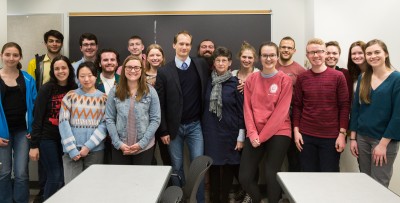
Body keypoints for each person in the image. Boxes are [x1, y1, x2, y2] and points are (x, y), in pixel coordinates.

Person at [155, 30, 209, 202]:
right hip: (173, 129)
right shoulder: (164, 71)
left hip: (195, 126)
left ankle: (197, 200)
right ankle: (181, 199)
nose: (184, 47)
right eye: (181, 43)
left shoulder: (200, 65)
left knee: (198, 167)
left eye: (187, 44)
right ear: (174, 45)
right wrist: (163, 130)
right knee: (177, 168)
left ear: (190, 46)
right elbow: (160, 104)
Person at [238, 42, 292, 203]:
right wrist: (253, 134)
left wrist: (261, 138)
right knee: (245, 177)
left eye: (272, 55)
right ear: (259, 58)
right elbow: (247, 109)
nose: (268, 59)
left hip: (279, 131)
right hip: (255, 132)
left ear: (277, 57)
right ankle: (257, 200)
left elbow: (281, 113)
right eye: (265, 55)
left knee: (270, 173)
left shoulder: (284, 80)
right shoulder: (252, 79)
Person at [293, 38, 350, 172]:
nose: (316, 55)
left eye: (319, 51)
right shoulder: (302, 78)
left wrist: (342, 134)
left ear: (325, 53)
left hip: (331, 137)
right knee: (308, 175)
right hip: (306, 136)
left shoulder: (338, 76)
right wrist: (296, 132)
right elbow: (297, 106)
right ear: (307, 55)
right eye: (311, 52)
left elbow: (344, 106)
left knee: (330, 176)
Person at [349, 39, 400, 187]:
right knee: (366, 182)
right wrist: (353, 138)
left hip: (384, 140)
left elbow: (398, 115)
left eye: (377, 52)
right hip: (362, 138)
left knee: (379, 184)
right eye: (369, 53)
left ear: (386, 54)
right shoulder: (363, 77)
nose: (373, 56)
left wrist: (383, 145)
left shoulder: (396, 79)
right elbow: (356, 109)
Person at [29, 55, 77, 200]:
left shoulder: (74, 88)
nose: (60, 71)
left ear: (69, 69)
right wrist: (34, 145)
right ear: (52, 71)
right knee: (55, 176)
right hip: (47, 138)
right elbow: (37, 118)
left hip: (66, 139)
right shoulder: (46, 88)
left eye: (63, 68)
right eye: (56, 68)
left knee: (63, 176)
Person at [202, 47, 244, 203]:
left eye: (224, 60)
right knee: (213, 165)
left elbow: (242, 112)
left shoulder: (236, 84)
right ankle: (213, 199)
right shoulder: (208, 82)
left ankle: (225, 198)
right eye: (218, 60)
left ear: (230, 63)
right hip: (211, 130)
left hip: (230, 132)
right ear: (214, 63)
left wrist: (241, 137)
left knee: (228, 166)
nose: (221, 63)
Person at [26, 29, 64, 203]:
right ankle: (43, 195)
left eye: (57, 41)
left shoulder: (65, 63)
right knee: (46, 167)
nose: (54, 44)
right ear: (46, 43)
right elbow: (31, 91)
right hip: (42, 117)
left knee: (59, 170)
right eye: (51, 41)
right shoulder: (36, 63)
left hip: (61, 124)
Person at [105, 55, 161, 165]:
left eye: (136, 67)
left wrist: (142, 144)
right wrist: (118, 143)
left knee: (141, 181)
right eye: (129, 67)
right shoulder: (114, 91)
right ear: (123, 69)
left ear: (141, 70)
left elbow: (155, 119)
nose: (133, 70)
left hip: (144, 148)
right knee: (121, 181)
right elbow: (109, 118)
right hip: (120, 147)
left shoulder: (151, 91)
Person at [59, 61, 107, 184]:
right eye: (82, 76)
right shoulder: (70, 96)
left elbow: (104, 125)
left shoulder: (104, 98)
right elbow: (63, 122)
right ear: (77, 77)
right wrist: (71, 149)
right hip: (72, 152)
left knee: (92, 187)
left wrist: (88, 146)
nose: (86, 79)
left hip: (95, 151)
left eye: (90, 75)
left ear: (96, 76)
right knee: (71, 188)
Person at [0, 42, 37, 203]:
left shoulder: (28, 79)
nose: (11, 58)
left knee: (21, 173)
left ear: (20, 57)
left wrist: (32, 129)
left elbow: (35, 106)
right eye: (7, 54)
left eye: (15, 55)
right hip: (2, 134)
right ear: (1, 56)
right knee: (4, 172)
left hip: (23, 132)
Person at [275, 36, 306, 173]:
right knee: (275, 156)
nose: (286, 50)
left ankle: (292, 192)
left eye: (289, 47)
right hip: (273, 114)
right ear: (279, 48)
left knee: (294, 156)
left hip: (292, 114)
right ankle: (277, 192)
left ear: (294, 50)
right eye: (283, 47)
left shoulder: (300, 71)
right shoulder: (271, 65)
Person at [144, 44, 171, 165]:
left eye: (158, 55)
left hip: (165, 121)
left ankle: (170, 182)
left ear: (163, 57)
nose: (155, 58)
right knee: (148, 156)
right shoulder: (141, 75)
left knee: (167, 156)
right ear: (147, 58)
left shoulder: (169, 73)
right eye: (152, 55)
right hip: (147, 121)